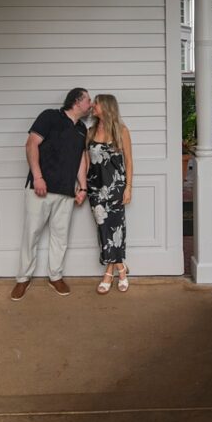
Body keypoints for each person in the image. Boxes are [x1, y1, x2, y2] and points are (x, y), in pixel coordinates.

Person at [11, 88, 91, 301]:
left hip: (66, 192)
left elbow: (81, 159)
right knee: (31, 234)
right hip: (40, 189)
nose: (90, 104)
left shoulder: (83, 128)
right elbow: (31, 145)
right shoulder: (49, 117)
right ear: (77, 101)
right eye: (88, 100)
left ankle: (55, 276)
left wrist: (82, 187)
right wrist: (38, 177)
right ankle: (22, 279)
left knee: (60, 237)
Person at [86, 94, 134, 294]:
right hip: (95, 188)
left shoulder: (121, 131)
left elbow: (129, 162)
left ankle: (110, 272)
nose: (92, 106)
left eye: (95, 103)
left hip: (115, 187)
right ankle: (121, 267)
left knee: (116, 229)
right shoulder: (89, 132)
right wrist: (82, 186)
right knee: (103, 229)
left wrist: (128, 187)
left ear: (106, 107)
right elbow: (87, 162)